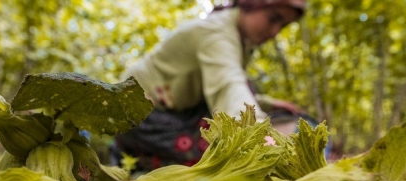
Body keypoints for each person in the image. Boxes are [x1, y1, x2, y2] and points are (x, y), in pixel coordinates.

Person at [111, 0, 308, 171]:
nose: (274, 32)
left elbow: (227, 83)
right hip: (136, 115)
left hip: (174, 110)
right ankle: (130, 154)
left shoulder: (237, 38)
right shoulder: (216, 32)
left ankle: (138, 156)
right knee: (219, 154)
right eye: (273, 18)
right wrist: (263, 139)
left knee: (245, 94)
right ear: (251, 4)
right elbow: (228, 87)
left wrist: (267, 103)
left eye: (282, 26)